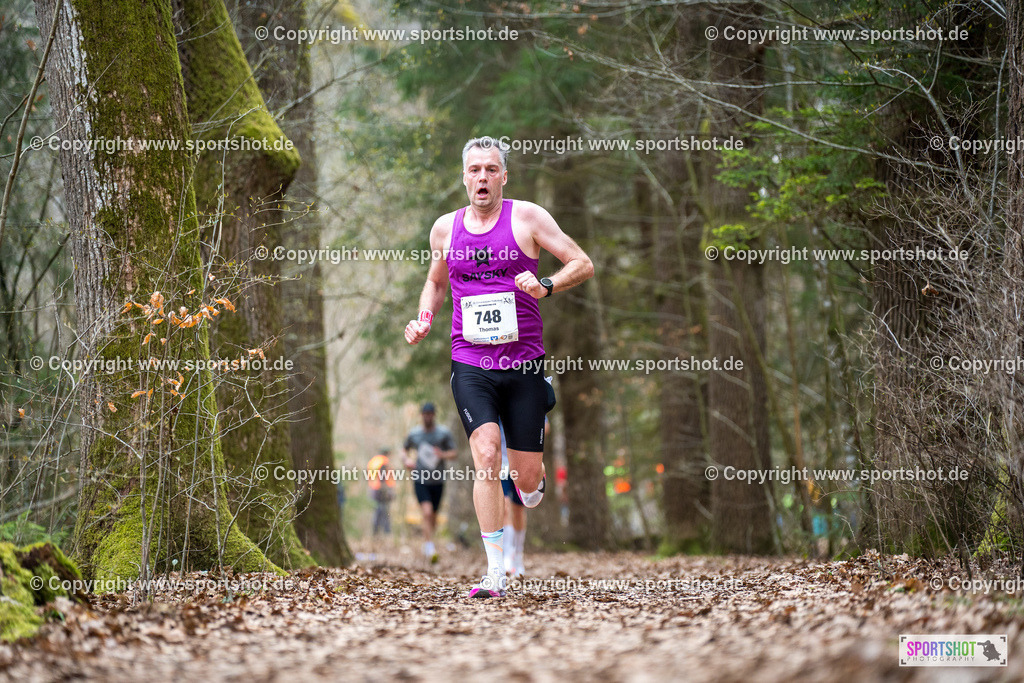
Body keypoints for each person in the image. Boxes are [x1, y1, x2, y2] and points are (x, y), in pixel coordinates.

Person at [404, 136, 594, 598]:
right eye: (474, 170)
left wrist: (545, 283)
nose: (482, 177)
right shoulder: (445, 229)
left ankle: (535, 478)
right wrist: (425, 316)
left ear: (504, 176)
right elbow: (434, 283)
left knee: (525, 480)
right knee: (486, 454)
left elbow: (582, 263)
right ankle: (494, 572)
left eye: (491, 169)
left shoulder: (527, 218)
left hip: (525, 362)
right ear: (464, 176)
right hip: (470, 361)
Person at [403, 402, 457, 563]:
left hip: (438, 480)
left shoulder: (443, 433)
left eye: (430, 414)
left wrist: (442, 455)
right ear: (421, 415)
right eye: (425, 414)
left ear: (434, 415)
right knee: (426, 512)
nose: (427, 416)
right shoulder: (414, 434)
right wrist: (407, 460)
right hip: (420, 479)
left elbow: (454, 453)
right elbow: (403, 449)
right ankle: (429, 546)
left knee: (433, 515)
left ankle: (429, 540)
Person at [500, 416, 550, 578]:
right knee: (504, 507)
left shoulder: (522, 394)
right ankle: (507, 555)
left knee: (518, 510)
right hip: (501, 464)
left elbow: (546, 426)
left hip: (521, 463)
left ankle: (518, 555)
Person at [366, 448, 396, 536]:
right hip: (382, 490)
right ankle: (386, 532)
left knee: (378, 510)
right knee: (383, 510)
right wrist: (387, 490)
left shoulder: (374, 461)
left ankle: (376, 531)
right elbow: (382, 477)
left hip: (374, 489)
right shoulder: (383, 462)